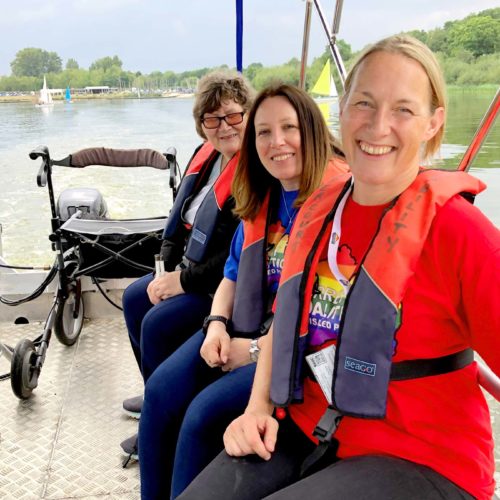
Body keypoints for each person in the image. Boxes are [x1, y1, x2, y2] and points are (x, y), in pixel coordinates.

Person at [179, 35, 500, 500]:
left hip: (422, 458)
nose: (378, 126)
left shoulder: (460, 232)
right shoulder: (318, 211)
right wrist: (255, 409)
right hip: (310, 427)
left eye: (403, 110)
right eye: (364, 104)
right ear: (343, 110)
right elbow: (285, 324)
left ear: (434, 124)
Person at [138, 83, 348, 499]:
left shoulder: (341, 204)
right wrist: (216, 325)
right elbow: (232, 277)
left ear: (313, 131)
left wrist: (251, 352)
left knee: (202, 415)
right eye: (264, 132)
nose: (278, 142)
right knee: (161, 393)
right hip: (242, 329)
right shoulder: (263, 197)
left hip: (298, 350)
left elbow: (327, 317)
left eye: (290, 128)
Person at [119, 70, 254, 455]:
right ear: (201, 125)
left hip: (215, 285)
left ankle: (162, 422)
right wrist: (166, 261)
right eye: (212, 119)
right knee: (134, 296)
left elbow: (233, 256)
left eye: (232, 115)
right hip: (188, 268)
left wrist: (181, 282)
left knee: (158, 322)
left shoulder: (254, 173)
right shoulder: (207, 156)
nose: (223, 126)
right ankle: (156, 405)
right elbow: (179, 216)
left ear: (248, 113)